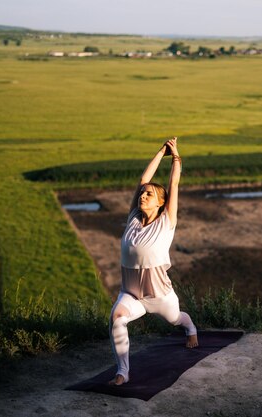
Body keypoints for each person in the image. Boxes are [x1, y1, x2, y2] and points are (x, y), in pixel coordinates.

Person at [109, 137, 198, 386]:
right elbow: (142, 181)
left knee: (175, 319)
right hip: (131, 293)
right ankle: (122, 373)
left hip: (160, 295)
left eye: (150, 194)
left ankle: (191, 329)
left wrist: (175, 154)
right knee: (117, 318)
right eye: (143, 194)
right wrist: (160, 151)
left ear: (161, 203)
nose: (144, 195)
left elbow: (174, 183)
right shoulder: (133, 219)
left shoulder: (166, 221)